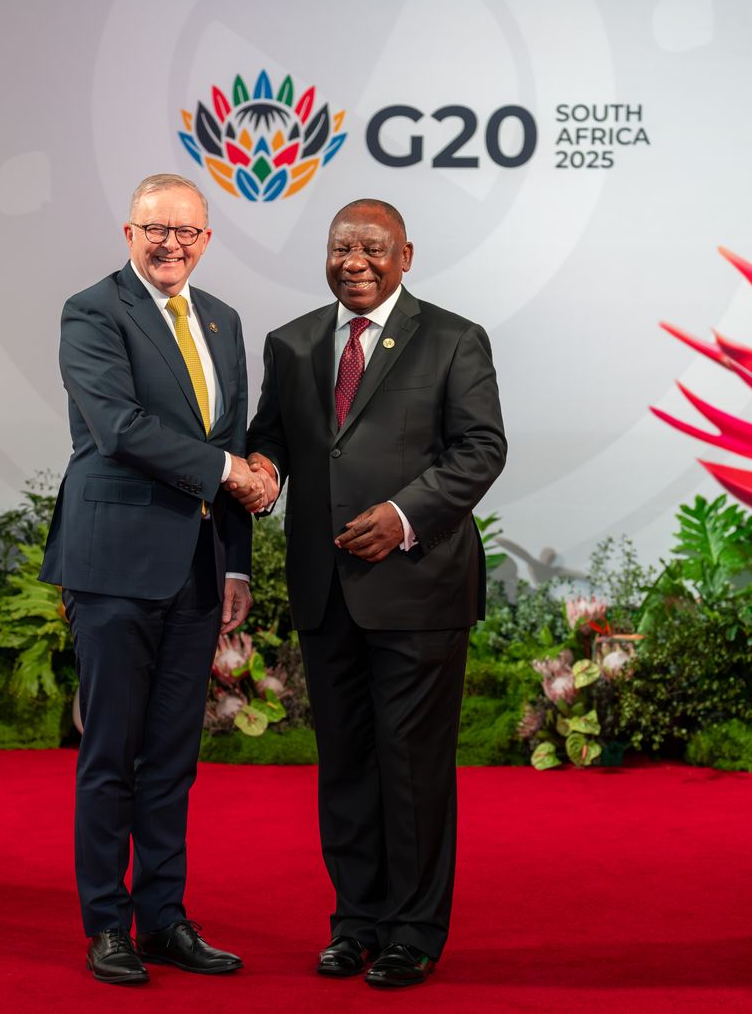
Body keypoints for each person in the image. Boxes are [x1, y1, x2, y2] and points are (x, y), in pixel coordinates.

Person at [244, 198, 507, 987]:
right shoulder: (291, 342)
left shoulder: (454, 338)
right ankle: (354, 922)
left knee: (412, 766)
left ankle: (413, 932)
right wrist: (264, 467)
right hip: (326, 590)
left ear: (405, 256)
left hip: (420, 591)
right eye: (341, 247)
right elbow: (272, 434)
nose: (354, 261)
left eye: (372, 248)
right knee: (346, 766)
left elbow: (481, 448)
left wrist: (402, 515)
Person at [40, 173, 264, 986]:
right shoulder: (93, 311)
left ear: (206, 240)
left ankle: (164, 917)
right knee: (112, 752)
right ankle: (107, 923)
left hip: (198, 569)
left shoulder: (222, 319)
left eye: (186, 231)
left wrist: (234, 558)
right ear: (129, 233)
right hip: (113, 566)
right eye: (155, 229)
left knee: (172, 756)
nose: (171, 244)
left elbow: (231, 434)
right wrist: (230, 471)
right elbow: (120, 427)